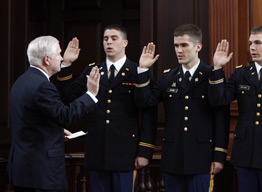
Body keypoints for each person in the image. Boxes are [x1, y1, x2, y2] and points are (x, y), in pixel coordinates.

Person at [57, 24, 157, 192]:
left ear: (125, 43)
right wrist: (66, 64)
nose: (108, 42)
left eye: (114, 38)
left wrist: (145, 151)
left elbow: (148, 113)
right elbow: (68, 97)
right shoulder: (93, 69)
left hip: (126, 153)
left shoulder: (137, 70)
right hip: (98, 152)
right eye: (105, 39)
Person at [134, 24, 230, 192]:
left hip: (202, 159)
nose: (179, 50)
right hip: (173, 158)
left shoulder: (211, 75)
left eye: (184, 45)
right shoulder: (168, 77)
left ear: (198, 46)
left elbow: (221, 118)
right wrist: (143, 70)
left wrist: (219, 155)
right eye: (176, 45)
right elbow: (145, 102)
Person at [8, 36, 100, 192]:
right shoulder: (43, 86)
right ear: (47, 59)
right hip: (41, 172)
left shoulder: (22, 81)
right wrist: (90, 94)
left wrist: (55, 129)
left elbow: (32, 120)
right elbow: (65, 116)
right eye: (59, 53)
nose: (62, 58)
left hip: (24, 169)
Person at [208, 26, 262, 192]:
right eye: (251, 43)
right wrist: (217, 68)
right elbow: (218, 100)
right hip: (245, 154)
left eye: (258, 43)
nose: (252, 47)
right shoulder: (240, 74)